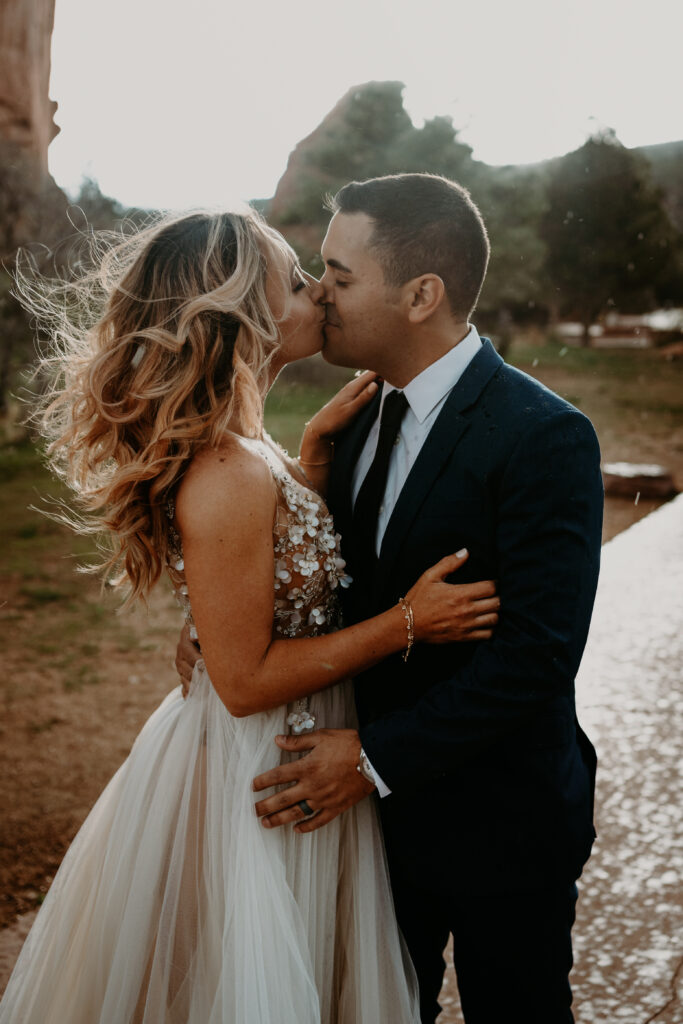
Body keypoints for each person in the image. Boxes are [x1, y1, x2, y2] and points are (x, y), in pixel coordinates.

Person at [0, 207, 501, 1024]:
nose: (320, 296)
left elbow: (264, 580)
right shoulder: (229, 468)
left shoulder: (252, 447)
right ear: (249, 316)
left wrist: (306, 470)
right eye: (300, 284)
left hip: (288, 751)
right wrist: (406, 622)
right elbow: (241, 681)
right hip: (253, 770)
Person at [180, 174, 603, 1024]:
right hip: (363, 839)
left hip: (499, 824)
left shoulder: (543, 435)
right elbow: (330, 581)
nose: (319, 297)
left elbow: (537, 655)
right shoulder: (355, 421)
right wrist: (219, 619)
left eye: (338, 276)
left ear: (420, 295)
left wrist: (370, 758)